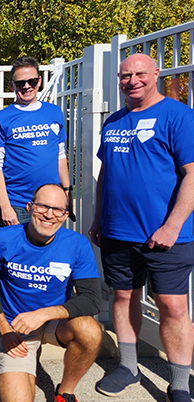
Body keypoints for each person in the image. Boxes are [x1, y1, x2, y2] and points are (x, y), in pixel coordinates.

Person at [89, 53, 194, 402]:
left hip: (166, 235)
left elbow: (192, 174)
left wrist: (172, 225)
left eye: (139, 74)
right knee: (123, 296)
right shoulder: (114, 122)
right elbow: (106, 173)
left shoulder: (178, 116)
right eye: (125, 75)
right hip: (119, 231)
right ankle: (129, 366)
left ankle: (179, 382)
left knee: (173, 306)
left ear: (156, 74)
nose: (132, 80)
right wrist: (97, 217)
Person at [0, 184, 102, 402]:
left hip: (54, 322)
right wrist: (5, 329)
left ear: (65, 216)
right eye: (43, 206)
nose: (49, 214)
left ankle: (65, 392)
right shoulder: (2, 238)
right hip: (15, 326)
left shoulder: (77, 244)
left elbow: (92, 300)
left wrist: (44, 314)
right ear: (29, 207)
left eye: (57, 210)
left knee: (90, 331)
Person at [0, 56, 70, 227]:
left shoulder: (54, 112)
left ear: (39, 81)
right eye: (20, 83)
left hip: (50, 202)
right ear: (11, 85)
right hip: (17, 203)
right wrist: (5, 206)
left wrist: (67, 191)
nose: (26, 86)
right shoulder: (0, 119)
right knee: (16, 253)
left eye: (31, 81)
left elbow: (60, 155)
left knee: (48, 253)